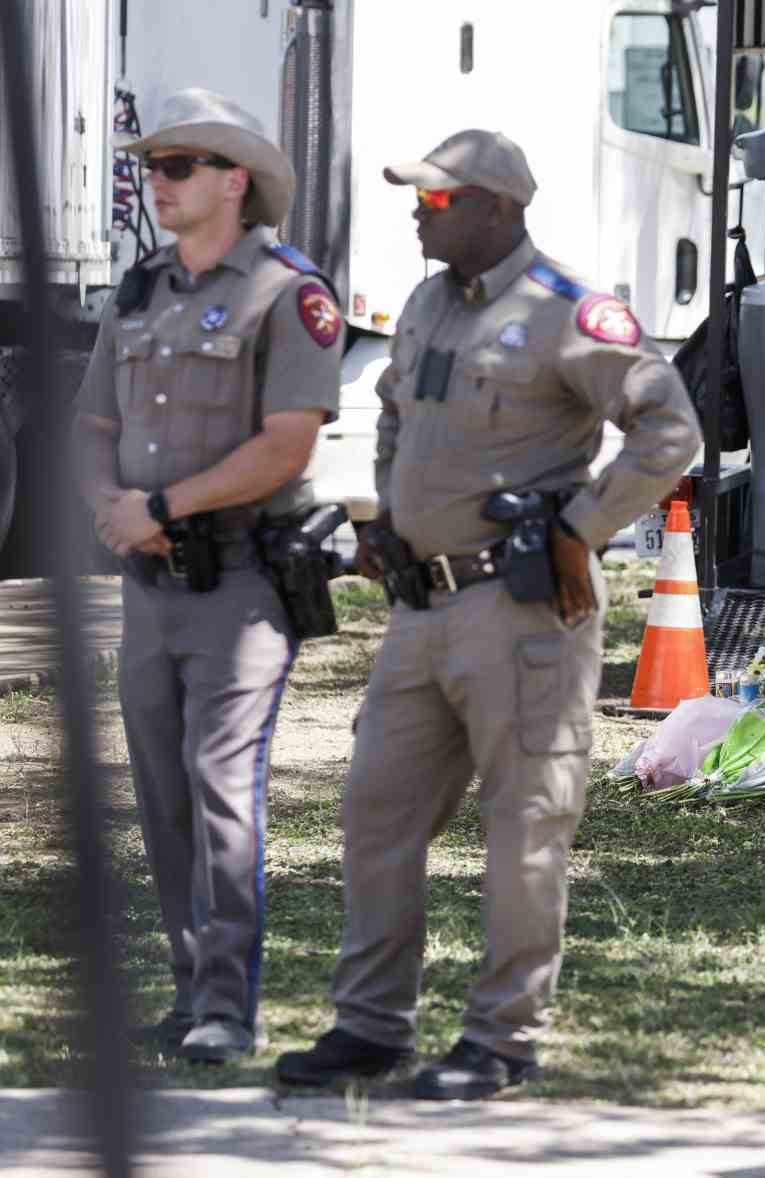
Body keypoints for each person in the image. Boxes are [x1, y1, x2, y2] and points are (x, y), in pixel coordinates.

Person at [275, 129, 700, 1099]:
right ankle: (372, 1025)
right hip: (420, 610)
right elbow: (393, 412)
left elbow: (668, 428)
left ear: (497, 208)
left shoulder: (564, 311)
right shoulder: (426, 303)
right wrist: (387, 516)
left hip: (520, 613)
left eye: (435, 201)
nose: (417, 215)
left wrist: (581, 528)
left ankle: (503, 1038)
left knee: (524, 824)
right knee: (376, 811)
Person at [71, 89, 343, 1063]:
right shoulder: (141, 287)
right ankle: (190, 994)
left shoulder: (287, 290)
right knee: (159, 790)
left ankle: (227, 1005)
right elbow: (93, 422)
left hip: (238, 584)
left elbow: (286, 443)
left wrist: (163, 506)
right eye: (152, 165)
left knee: (221, 781)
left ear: (235, 180)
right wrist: (110, 502)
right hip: (147, 588)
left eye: (179, 166)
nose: (159, 181)